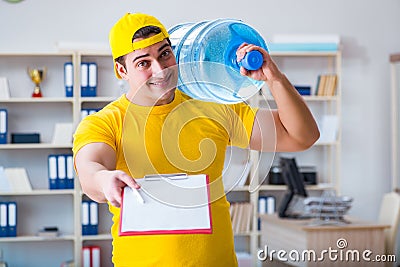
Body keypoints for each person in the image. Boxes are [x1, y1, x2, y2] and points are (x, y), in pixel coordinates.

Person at [73, 12, 320, 267]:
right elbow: (90, 169)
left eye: (164, 54)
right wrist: (104, 179)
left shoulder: (214, 105)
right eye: (143, 63)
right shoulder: (105, 122)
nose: (161, 70)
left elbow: (302, 136)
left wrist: (274, 78)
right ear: (121, 70)